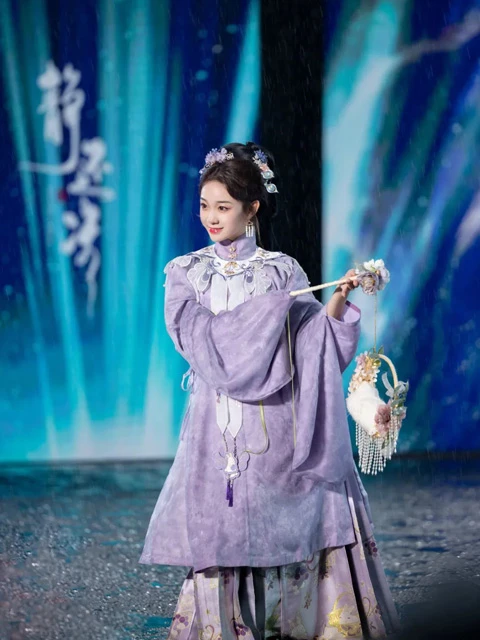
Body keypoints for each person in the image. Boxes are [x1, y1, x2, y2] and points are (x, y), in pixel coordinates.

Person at [139, 142, 402, 639]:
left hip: (275, 419)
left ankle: (298, 625)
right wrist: (265, 314)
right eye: (205, 206)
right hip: (217, 426)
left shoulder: (283, 270)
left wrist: (339, 298)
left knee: (293, 518)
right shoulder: (185, 272)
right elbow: (197, 338)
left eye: (223, 207)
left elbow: (311, 345)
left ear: (252, 208)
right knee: (220, 530)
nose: (211, 218)